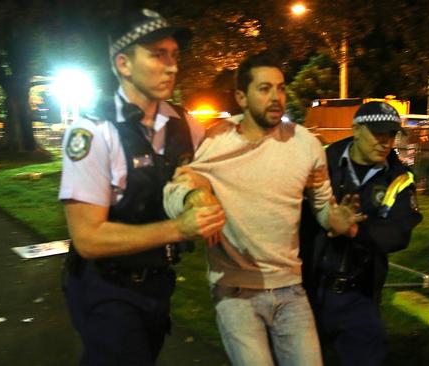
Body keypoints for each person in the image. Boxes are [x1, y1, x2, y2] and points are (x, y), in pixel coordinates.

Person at [163, 51, 363, 366]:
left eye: (281, 88)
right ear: (241, 97)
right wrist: (193, 200)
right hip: (235, 289)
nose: (276, 97)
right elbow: (176, 187)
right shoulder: (218, 139)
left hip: (290, 288)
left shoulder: (306, 144)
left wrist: (335, 219)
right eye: (264, 88)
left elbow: (323, 205)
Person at [58, 8, 226, 365]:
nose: (172, 66)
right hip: (107, 287)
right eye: (156, 55)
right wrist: (178, 228)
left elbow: (219, 166)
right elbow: (88, 238)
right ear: (123, 63)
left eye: (174, 55)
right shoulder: (92, 133)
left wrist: (201, 186)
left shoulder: (186, 125)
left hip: (158, 285)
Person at [300, 102, 423, 366]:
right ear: (356, 130)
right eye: (378, 133)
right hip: (306, 288)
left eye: (391, 134)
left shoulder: (399, 179)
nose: (386, 142)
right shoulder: (321, 161)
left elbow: (399, 233)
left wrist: (354, 230)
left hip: (359, 296)